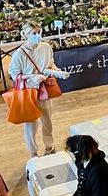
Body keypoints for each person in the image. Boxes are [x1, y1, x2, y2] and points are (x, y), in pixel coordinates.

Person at [9, 20, 67, 157]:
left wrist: (58, 72)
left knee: (47, 120)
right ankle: (33, 152)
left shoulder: (46, 48)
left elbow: (50, 65)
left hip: (44, 90)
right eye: (33, 33)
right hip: (28, 92)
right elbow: (14, 74)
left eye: (39, 32)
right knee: (30, 125)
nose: (37, 35)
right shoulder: (19, 54)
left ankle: (49, 146)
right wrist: (32, 77)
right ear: (25, 35)